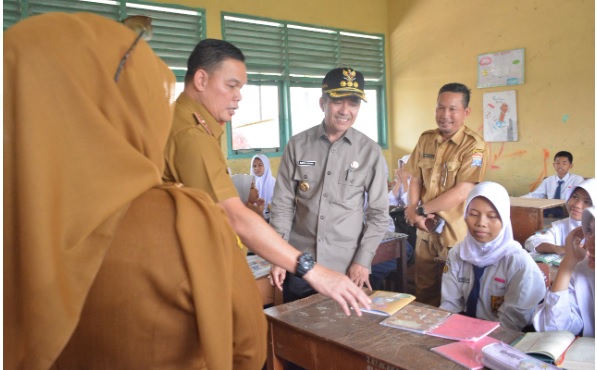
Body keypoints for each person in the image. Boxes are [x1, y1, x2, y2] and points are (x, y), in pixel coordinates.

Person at [4, 13, 265, 370]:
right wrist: (307, 267)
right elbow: (248, 348)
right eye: (232, 86)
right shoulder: (181, 223)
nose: (237, 97)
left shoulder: (17, 216)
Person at [162, 39, 371, 315]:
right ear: (201, 79)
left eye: (241, 88)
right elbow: (237, 216)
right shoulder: (191, 134)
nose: (239, 96)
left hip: (341, 256)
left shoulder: (192, 125)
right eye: (231, 85)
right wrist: (312, 270)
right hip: (184, 273)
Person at [269, 67, 389, 303]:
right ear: (322, 102)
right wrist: (278, 256)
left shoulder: (369, 152)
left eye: (353, 103)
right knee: (298, 331)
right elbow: (282, 206)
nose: (345, 110)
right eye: (337, 101)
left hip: (345, 270)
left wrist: (361, 261)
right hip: (300, 265)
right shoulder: (298, 145)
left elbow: (378, 214)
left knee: (344, 335)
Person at [404, 82, 488, 306]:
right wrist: (413, 209)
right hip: (425, 231)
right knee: (424, 293)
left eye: (452, 109)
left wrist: (420, 209)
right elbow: (415, 178)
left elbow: (463, 190)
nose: (445, 115)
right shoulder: (426, 139)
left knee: (455, 295)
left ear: (466, 112)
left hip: (454, 234)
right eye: (440, 108)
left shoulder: (474, 146)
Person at [440, 182, 546, 331]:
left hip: (505, 338)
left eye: (492, 216)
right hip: (463, 331)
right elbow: (450, 305)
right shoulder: (457, 254)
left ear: (504, 219)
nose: (481, 223)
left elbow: (510, 323)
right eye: (473, 214)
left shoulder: (518, 262)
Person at [533, 206, 595, 337]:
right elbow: (555, 329)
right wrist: (568, 263)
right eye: (589, 231)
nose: (591, 242)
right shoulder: (583, 271)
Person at [525, 178, 596, 255]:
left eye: (587, 202)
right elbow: (531, 242)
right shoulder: (560, 226)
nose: (577, 205)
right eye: (575, 197)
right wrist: (558, 248)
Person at [250, 154, 276, 220]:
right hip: (255, 217)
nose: (256, 168)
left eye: (260, 165)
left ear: (266, 166)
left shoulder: (274, 183)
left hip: (272, 218)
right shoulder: (250, 183)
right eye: (254, 166)